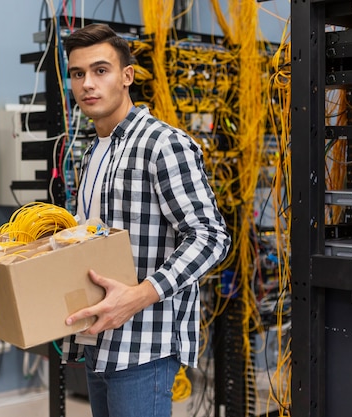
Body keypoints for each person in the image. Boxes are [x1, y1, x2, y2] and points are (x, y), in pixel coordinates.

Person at [61, 23, 231, 417]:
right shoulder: (93, 153)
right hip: (97, 338)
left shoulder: (162, 144)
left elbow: (210, 237)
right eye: (78, 73)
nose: (88, 83)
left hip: (143, 345)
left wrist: (137, 297)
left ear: (127, 76)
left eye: (101, 71)